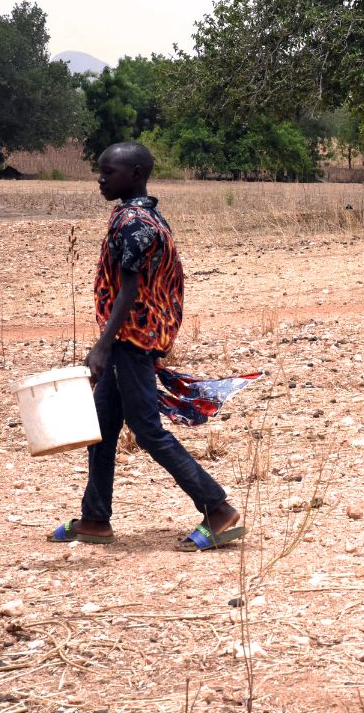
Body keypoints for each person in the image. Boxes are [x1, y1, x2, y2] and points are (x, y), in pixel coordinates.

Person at [48, 142, 245, 551]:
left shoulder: (133, 222)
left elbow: (129, 289)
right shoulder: (144, 215)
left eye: (109, 172)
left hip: (130, 340)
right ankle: (94, 519)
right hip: (134, 337)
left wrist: (102, 347)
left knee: (147, 429)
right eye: (100, 171)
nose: (101, 179)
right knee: (101, 429)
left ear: (136, 174)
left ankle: (217, 508)